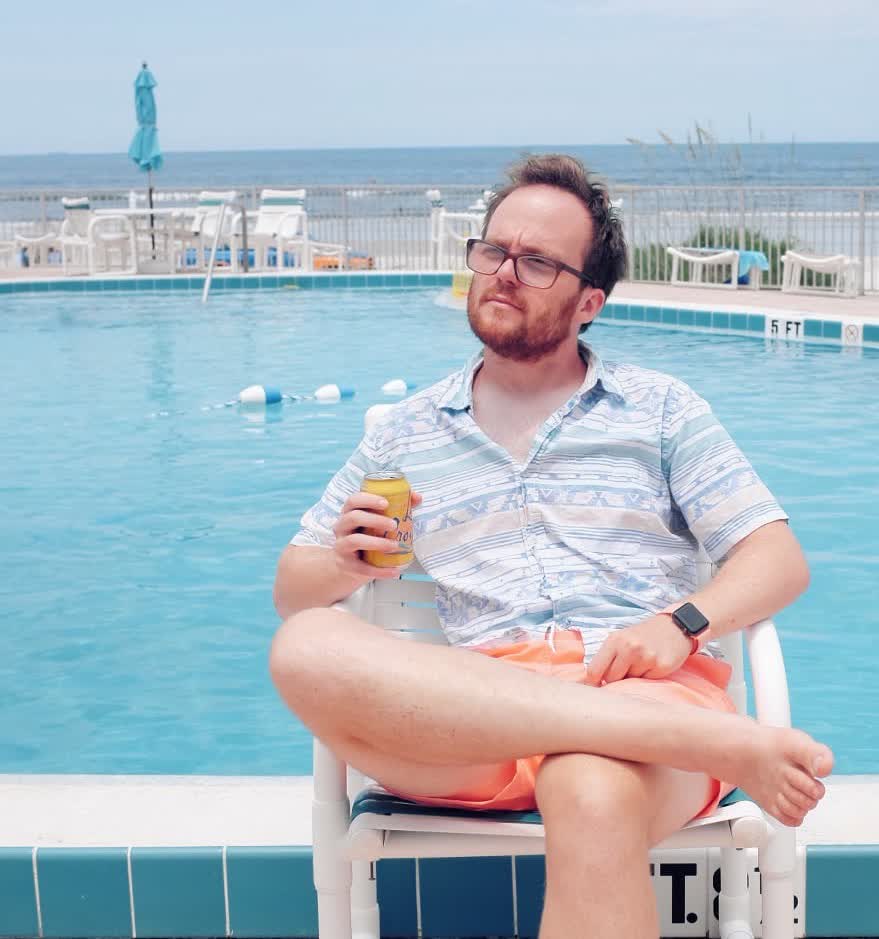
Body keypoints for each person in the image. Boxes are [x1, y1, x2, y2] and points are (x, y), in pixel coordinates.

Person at [270, 154, 833, 939]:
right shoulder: (406, 431)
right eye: (494, 251)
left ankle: (647, 734)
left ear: (589, 300)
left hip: (641, 687)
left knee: (588, 782)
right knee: (304, 642)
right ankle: (704, 743)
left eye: (537, 262)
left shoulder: (660, 409)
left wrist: (680, 624)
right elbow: (293, 589)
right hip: (477, 717)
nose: (503, 273)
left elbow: (778, 558)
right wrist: (337, 562)